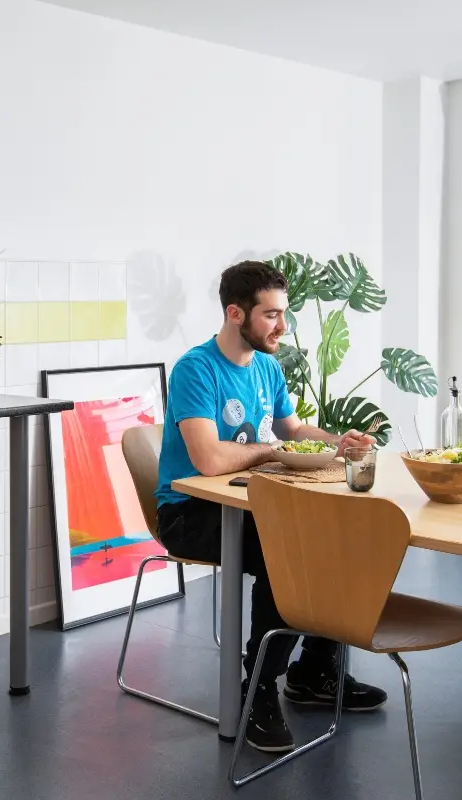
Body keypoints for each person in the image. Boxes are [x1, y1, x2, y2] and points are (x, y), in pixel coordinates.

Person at [154, 260, 384, 754]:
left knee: (335, 539)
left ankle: (315, 672)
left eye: (284, 314)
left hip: (253, 507)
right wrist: (270, 452)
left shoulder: (265, 366)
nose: (283, 326)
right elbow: (209, 458)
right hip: (189, 513)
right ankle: (256, 688)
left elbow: (292, 429)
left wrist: (338, 443)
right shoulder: (196, 369)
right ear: (236, 313)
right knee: (288, 552)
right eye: (271, 315)